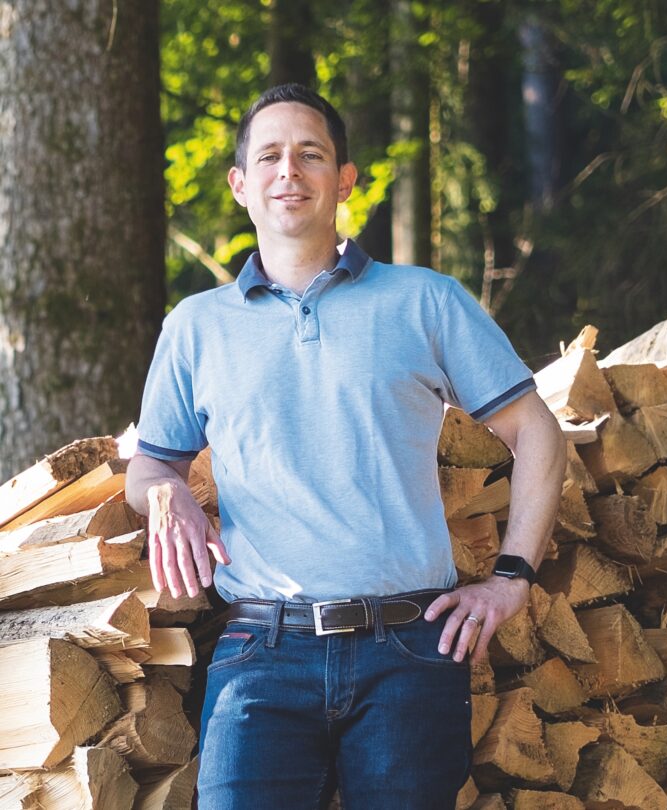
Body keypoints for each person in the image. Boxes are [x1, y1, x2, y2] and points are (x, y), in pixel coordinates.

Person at [126, 83, 566, 810]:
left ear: (345, 178)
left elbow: (538, 431)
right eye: (268, 156)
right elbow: (152, 462)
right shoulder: (196, 326)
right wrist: (166, 491)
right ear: (240, 183)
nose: (288, 171)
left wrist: (512, 576)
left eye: (310, 154)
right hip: (259, 652)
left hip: (410, 651)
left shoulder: (425, 300)